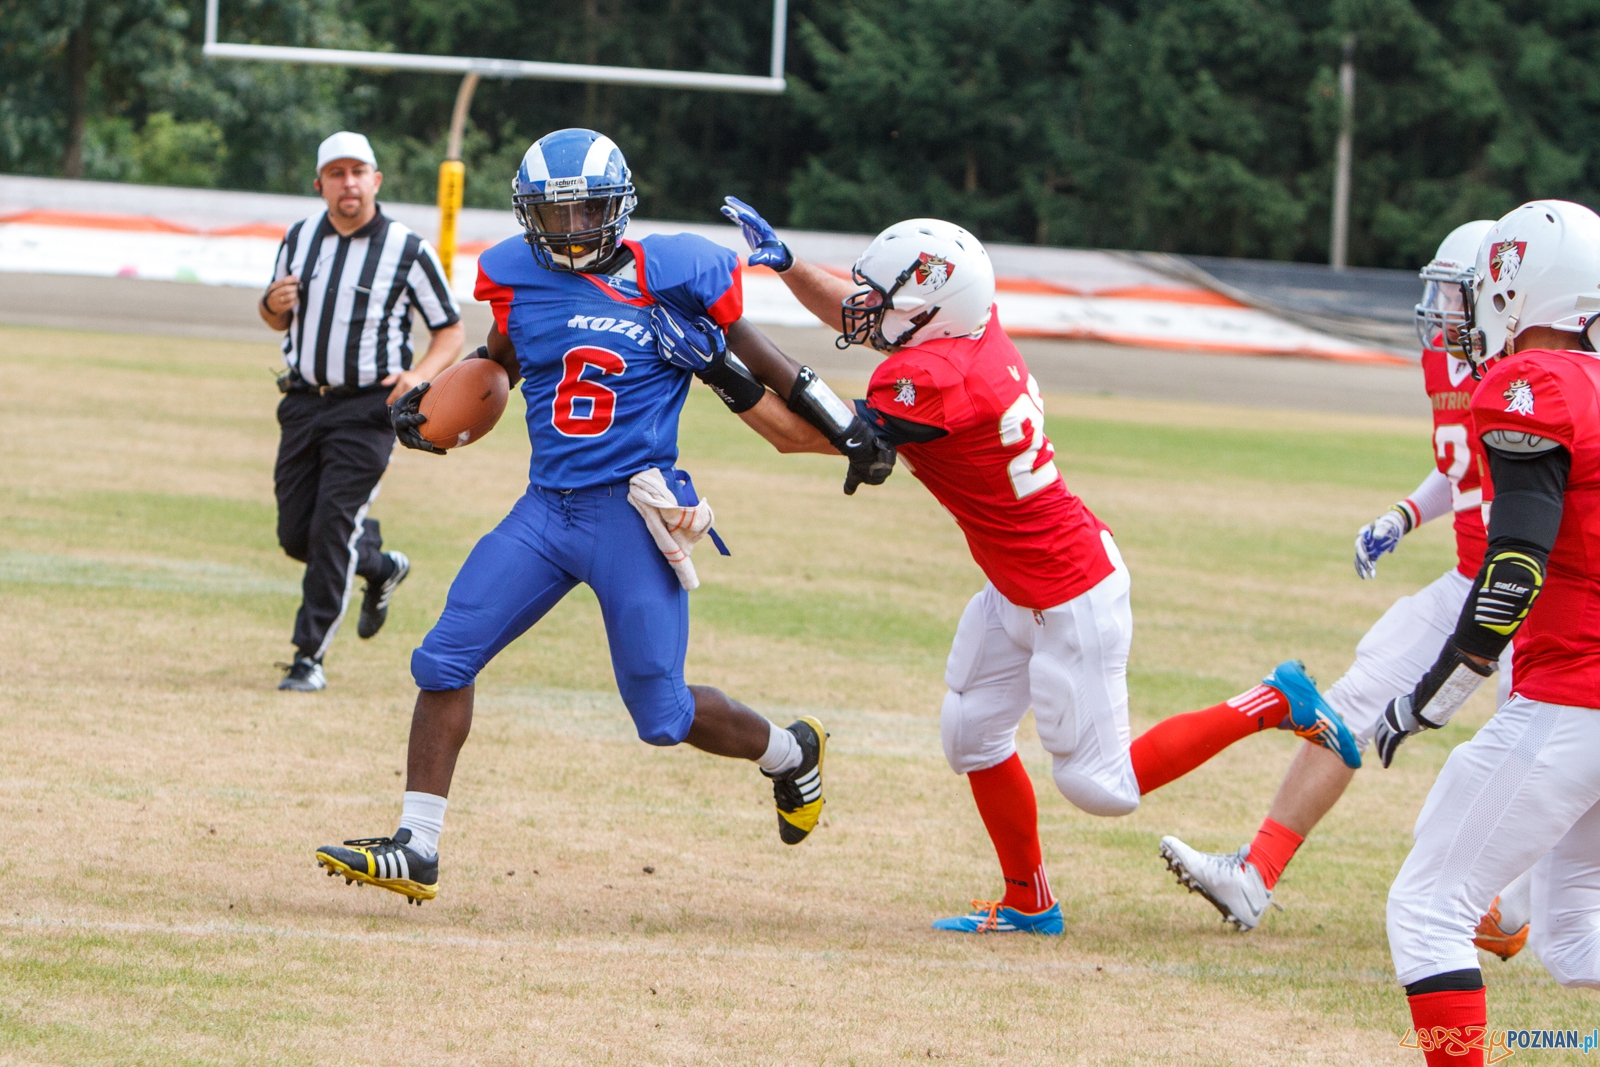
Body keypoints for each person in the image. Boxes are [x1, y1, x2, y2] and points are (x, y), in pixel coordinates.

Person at [715, 199, 1361, 935]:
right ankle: (1029, 900)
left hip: (1068, 589)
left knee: (1101, 785)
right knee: (972, 736)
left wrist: (718, 359)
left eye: (884, 298)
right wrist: (791, 265)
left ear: (928, 311)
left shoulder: (934, 377)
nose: (865, 308)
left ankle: (1275, 699)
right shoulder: (966, 327)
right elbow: (872, 317)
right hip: (1019, 577)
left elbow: (804, 433)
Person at [312, 129, 895, 903]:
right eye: (552, 215)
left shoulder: (676, 273)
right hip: (545, 510)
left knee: (663, 713)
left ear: (616, 205)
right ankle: (417, 845)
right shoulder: (517, 278)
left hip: (632, 513)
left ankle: (790, 751)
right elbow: (500, 364)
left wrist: (842, 423)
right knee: (444, 658)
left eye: (585, 209)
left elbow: (762, 359)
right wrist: (436, 405)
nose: (569, 228)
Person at [1155, 222, 1526, 947]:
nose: (1439, 309)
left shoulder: (1541, 370)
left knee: (1538, 757)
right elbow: (1463, 466)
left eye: (1455, 294)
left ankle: (1511, 904)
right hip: (1467, 579)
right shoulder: (1453, 360)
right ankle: (1255, 875)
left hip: (1540, 593)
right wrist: (1407, 511)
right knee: (1351, 702)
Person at [1381, 199, 1600, 1067]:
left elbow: (1513, 570)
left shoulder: (1531, 386)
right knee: (1575, 934)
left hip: (1574, 697)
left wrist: (1428, 698)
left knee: (1428, 907)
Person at [259, 131, 464, 692]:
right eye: (336, 173)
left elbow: (449, 327)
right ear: (320, 183)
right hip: (303, 402)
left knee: (330, 530)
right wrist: (270, 307)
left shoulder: (406, 247)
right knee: (296, 535)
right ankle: (379, 565)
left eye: (358, 172)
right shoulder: (300, 237)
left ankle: (308, 657)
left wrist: (419, 375)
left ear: (376, 180)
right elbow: (279, 316)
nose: (348, 183)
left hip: (370, 409)